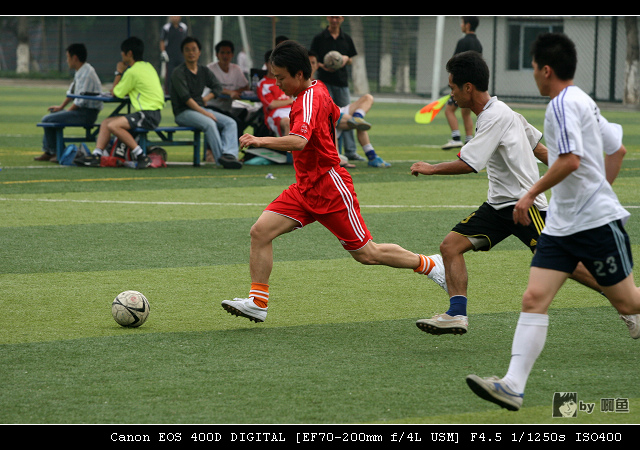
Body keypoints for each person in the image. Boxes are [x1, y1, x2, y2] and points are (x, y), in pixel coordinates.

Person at [466, 32, 639, 412]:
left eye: (533, 68)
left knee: (629, 300)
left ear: (546, 70)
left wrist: (530, 194)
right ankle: (513, 385)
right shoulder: (583, 101)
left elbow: (570, 160)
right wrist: (599, 188)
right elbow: (617, 149)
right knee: (534, 298)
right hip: (561, 226)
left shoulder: (561, 105)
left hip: (595, 224)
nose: (532, 75)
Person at [221, 40, 445, 323]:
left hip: (330, 187)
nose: (278, 84)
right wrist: (353, 121)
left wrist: (259, 140)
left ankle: (431, 264)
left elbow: (299, 141)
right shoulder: (318, 88)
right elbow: (337, 117)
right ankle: (257, 302)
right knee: (260, 232)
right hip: (304, 188)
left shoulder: (308, 98)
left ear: (299, 74)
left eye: (281, 77)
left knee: (367, 254)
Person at [411, 50, 609, 336]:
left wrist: (431, 168)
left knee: (563, 262)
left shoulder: (495, 116)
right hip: (499, 207)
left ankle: (628, 300)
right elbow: (539, 149)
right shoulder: (504, 112)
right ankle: (456, 314)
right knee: (450, 247)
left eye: (453, 87)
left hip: (526, 206)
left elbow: (470, 163)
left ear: (468, 87)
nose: (451, 94)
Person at [76, 37, 164, 169]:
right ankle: (96, 155)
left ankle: (141, 156)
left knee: (113, 125)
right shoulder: (148, 66)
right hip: (152, 113)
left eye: (122, 52)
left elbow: (115, 92)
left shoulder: (132, 72)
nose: (121, 55)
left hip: (148, 114)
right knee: (106, 123)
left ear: (129, 53)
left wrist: (119, 72)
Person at [309, 50, 390, 168]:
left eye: (313, 63)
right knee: (358, 124)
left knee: (367, 98)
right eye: (309, 63)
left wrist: (345, 59)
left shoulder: (319, 83)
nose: (311, 66)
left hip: (335, 112)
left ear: (318, 65)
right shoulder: (302, 83)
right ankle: (372, 157)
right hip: (325, 118)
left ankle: (357, 117)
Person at [170, 37, 242, 169]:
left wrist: (207, 98)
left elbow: (217, 87)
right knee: (210, 123)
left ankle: (230, 155)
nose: (191, 53)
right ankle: (221, 159)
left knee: (231, 122)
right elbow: (186, 99)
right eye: (187, 50)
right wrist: (205, 113)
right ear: (183, 53)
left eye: (194, 49)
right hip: (183, 112)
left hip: (201, 109)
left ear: (199, 52)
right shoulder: (178, 73)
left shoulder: (203, 70)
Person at [36, 43, 102, 163]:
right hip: (81, 111)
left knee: (48, 119)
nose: (67, 61)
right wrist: (61, 107)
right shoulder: (81, 71)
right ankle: (49, 151)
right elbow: (72, 92)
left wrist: (66, 111)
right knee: (51, 116)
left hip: (87, 113)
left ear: (74, 58)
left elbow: (80, 101)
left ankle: (58, 152)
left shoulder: (87, 74)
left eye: (67, 57)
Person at [310, 16, 363, 162]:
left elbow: (351, 59)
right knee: (329, 117)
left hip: (342, 83)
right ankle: (331, 150)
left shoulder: (346, 38)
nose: (334, 20)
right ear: (328, 18)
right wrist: (323, 65)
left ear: (342, 19)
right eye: (332, 17)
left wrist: (345, 59)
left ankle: (351, 151)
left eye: (337, 17)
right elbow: (313, 59)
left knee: (347, 115)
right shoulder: (319, 38)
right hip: (325, 83)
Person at [442, 16, 482, 150]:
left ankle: (456, 139)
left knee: (449, 110)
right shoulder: (478, 44)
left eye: (462, 22)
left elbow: (455, 64)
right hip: (472, 85)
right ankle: (469, 141)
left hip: (461, 85)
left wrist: (453, 85)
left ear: (467, 25)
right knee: (466, 113)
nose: (461, 25)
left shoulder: (462, 42)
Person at [204, 40, 251, 138]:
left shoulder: (236, 69)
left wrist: (235, 92)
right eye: (222, 53)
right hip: (210, 107)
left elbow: (246, 87)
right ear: (217, 55)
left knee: (245, 113)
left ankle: (230, 143)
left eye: (228, 53)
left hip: (227, 109)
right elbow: (214, 87)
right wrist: (229, 93)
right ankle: (230, 146)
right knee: (235, 123)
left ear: (232, 55)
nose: (225, 56)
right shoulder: (210, 69)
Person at [257, 50, 294, 137]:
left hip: (292, 110)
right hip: (275, 114)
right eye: (272, 63)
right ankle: (288, 146)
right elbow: (271, 104)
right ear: (266, 64)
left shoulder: (287, 80)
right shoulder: (263, 84)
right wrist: (291, 101)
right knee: (288, 123)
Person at [160, 16, 189, 94]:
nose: (175, 17)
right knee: (170, 75)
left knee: (182, 74)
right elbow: (162, 40)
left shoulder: (184, 27)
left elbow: (186, 41)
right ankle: (168, 93)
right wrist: (163, 52)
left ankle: (182, 92)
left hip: (181, 56)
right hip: (170, 57)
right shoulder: (166, 27)